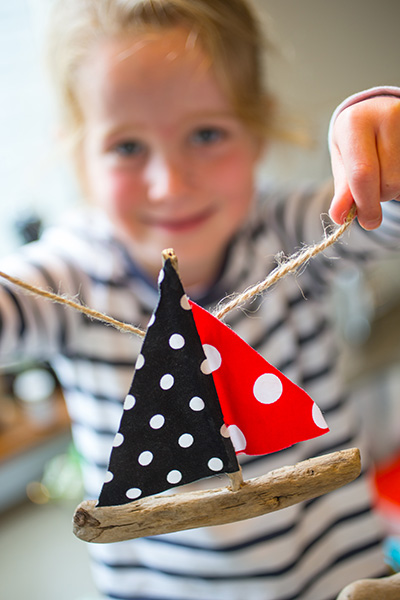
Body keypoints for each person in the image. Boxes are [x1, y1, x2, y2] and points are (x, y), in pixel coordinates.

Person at [2, 0, 400, 598]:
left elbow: (385, 217)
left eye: (206, 133)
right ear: (80, 156)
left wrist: (382, 147)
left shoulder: (287, 232)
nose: (170, 183)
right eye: (127, 148)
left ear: (258, 126)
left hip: (339, 577)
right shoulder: (67, 276)